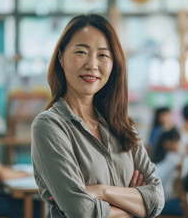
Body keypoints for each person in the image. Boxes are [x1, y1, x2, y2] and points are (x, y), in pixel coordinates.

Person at [31, 14, 164, 218]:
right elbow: (81, 211)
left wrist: (102, 191)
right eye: (81, 52)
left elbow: (157, 198)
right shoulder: (49, 125)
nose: (92, 64)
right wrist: (134, 204)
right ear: (61, 57)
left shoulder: (119, 124)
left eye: (103, 55)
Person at [152, 128, 183, 216]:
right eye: (177, 142)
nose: (179, 145)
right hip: (161, 204)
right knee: (186, 206)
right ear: (168, 143)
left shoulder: (158, 160)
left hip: (153, 201)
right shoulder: (173, 158)